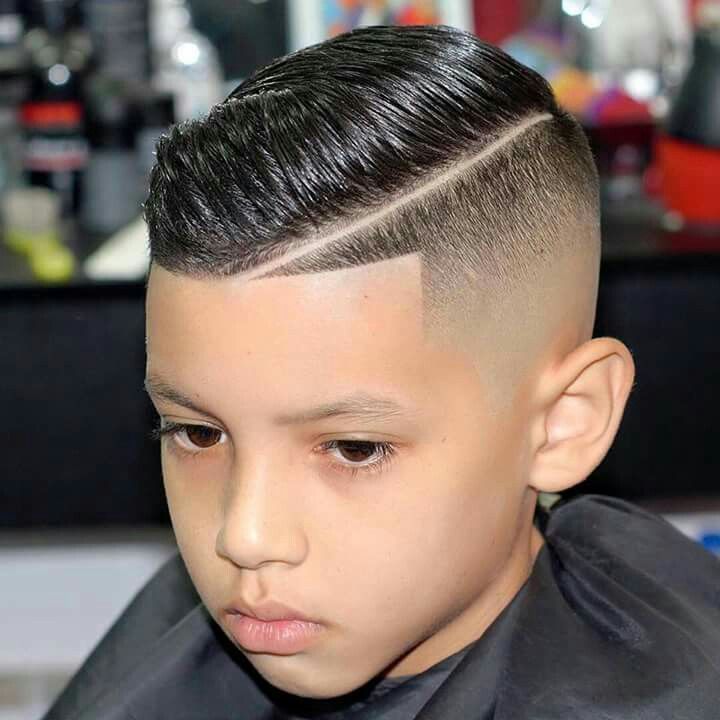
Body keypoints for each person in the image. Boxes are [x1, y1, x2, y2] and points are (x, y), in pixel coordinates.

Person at [44, 24, 720, 720]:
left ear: (562, 425)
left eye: (354, 448)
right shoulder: (194, 630)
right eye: (197, 434)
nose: (243, 537)